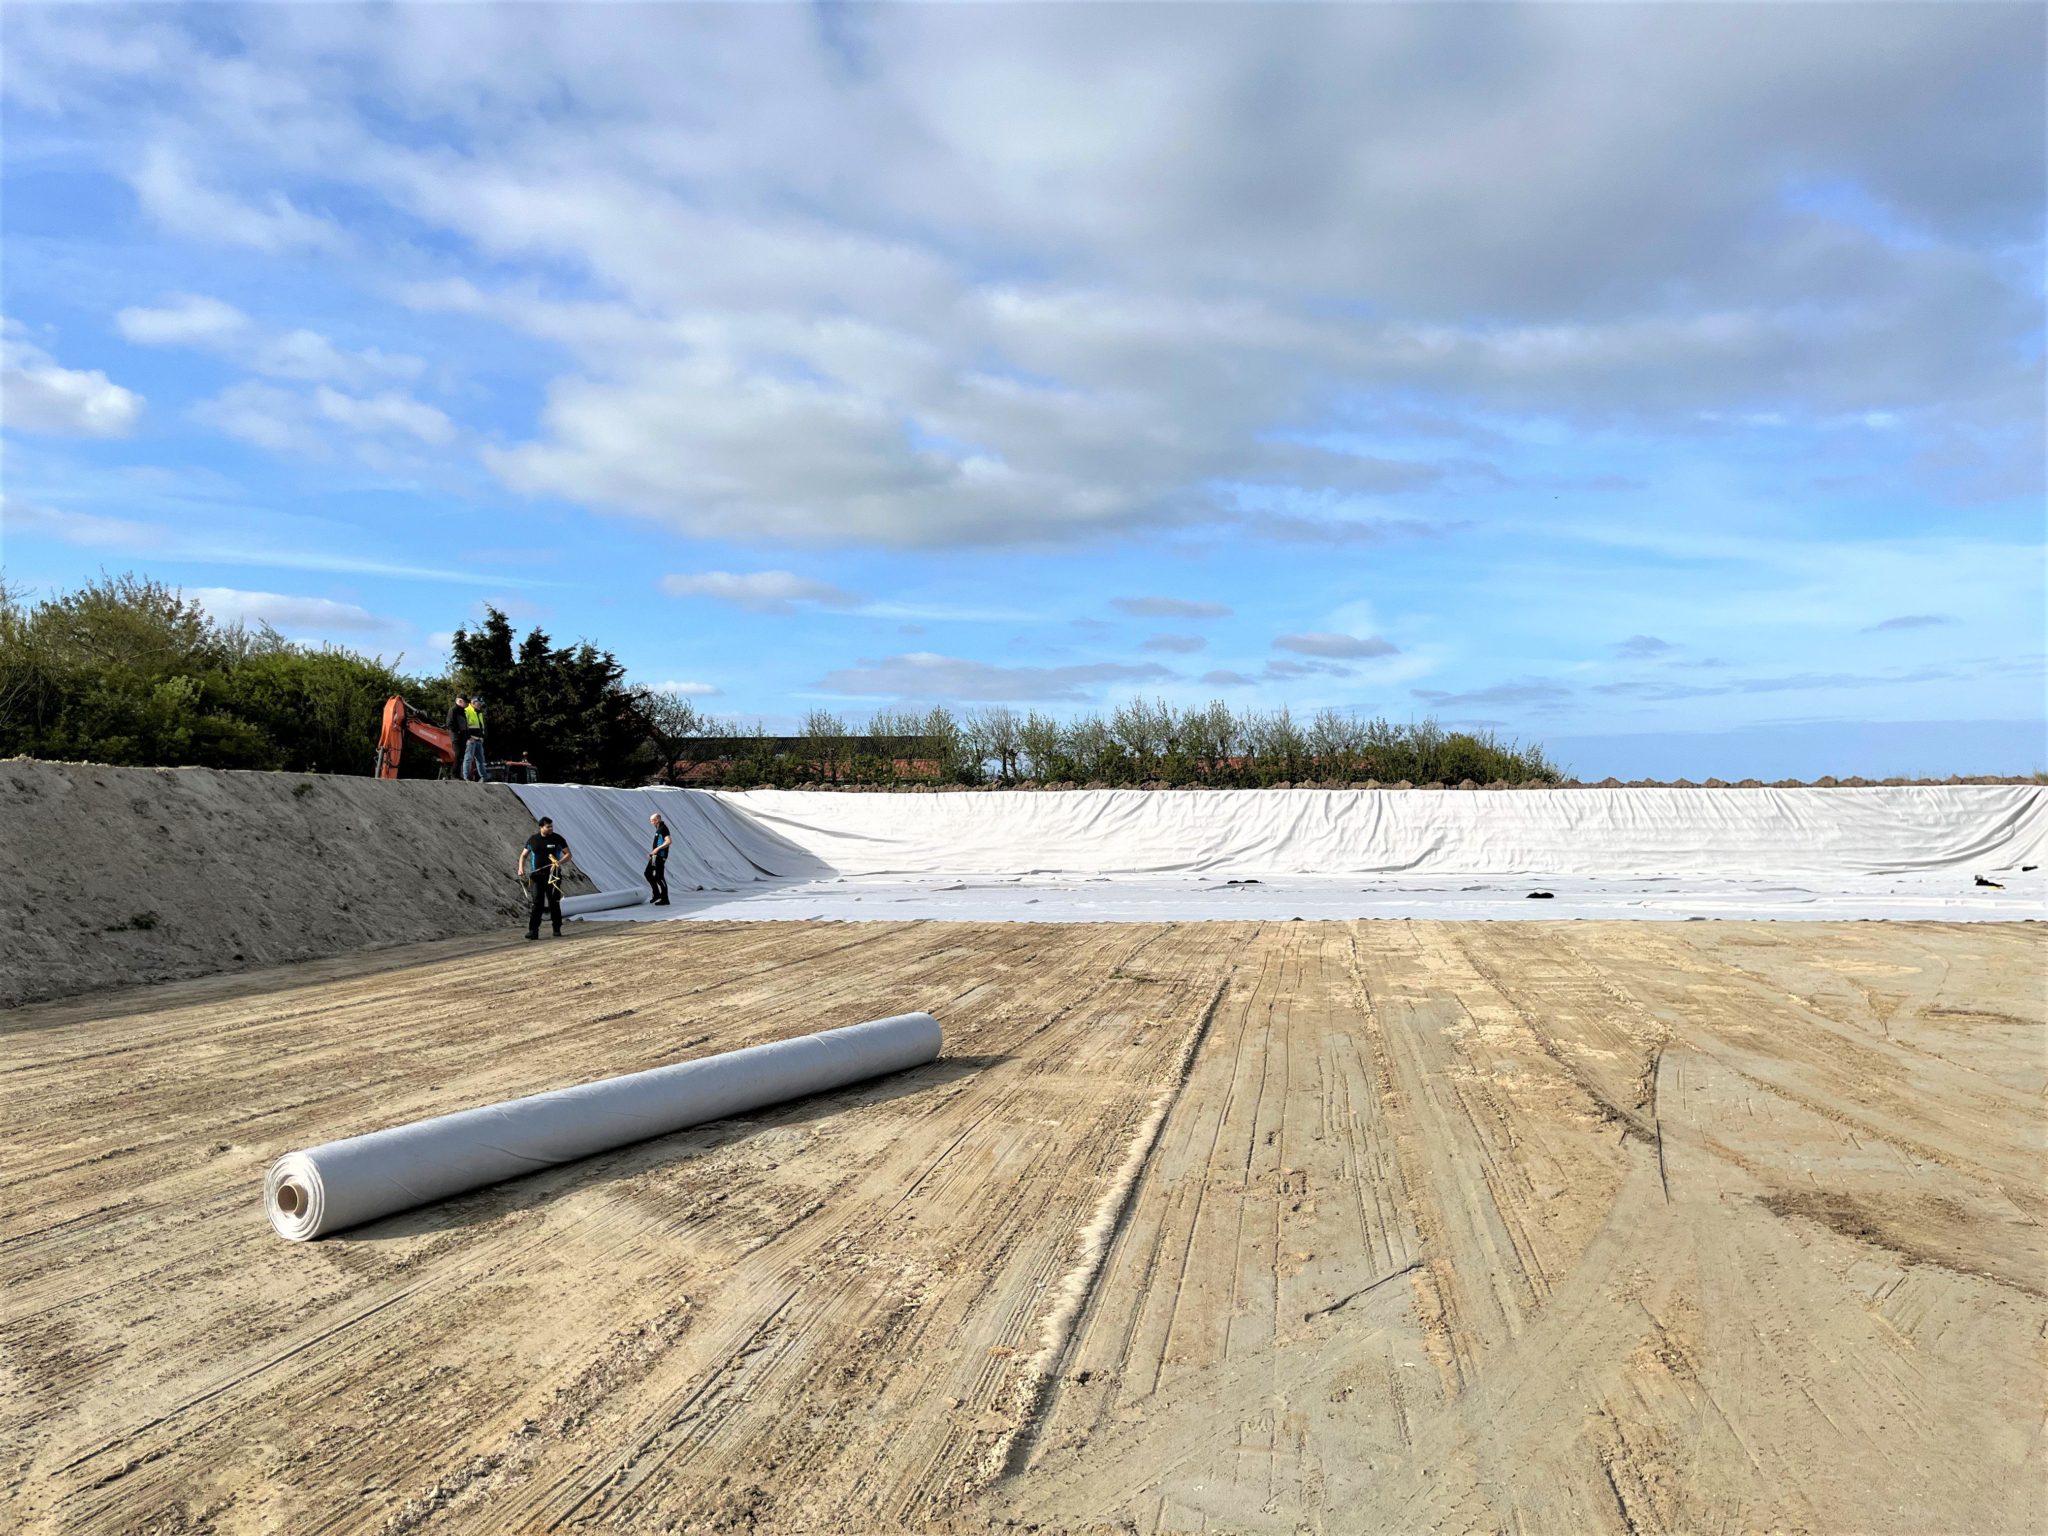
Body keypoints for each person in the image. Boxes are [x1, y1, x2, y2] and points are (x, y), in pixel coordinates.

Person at [518, 816, 573, 939]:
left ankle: (557, 928)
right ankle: (533, 931)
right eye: (548, 827)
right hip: (536, 876)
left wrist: (559, 862)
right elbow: (523, 855)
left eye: (551, 826)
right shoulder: (533, 839)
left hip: (553, 876)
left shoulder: (557, 839)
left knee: (554, 902)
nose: (551, 828)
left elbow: (568, 854)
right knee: (537, 903)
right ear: (541, 827)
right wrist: (520, 868)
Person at [645, 812, 672, 905]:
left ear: (657, 820)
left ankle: (665, 899)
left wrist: (657, 849)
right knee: (648, 873)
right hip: (655, 856)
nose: (651, 822)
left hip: (660, 856)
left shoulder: (663, 829)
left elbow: (668, 841)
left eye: (652, 821)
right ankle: (656, 893)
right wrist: (652, 853)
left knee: (659, 877)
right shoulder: (658, 829)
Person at [462, 696, 487, 782]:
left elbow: (481, 727)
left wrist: (482, 737)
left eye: (481, 704)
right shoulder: (467, 711)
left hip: (479, 740)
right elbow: (463, 726)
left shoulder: (479, 713)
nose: (480, 706)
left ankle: (483, 777)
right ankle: (466, 777)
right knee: (468, 758)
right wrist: (468, 737)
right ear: (473, 702)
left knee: (480, 760)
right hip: (471, 740)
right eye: (479, 704)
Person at [444, 694, 469, 779]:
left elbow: (465, 726)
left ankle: (457, 774)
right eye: (465, 702)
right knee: (458, 754)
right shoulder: (453, 710)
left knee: (461, 756)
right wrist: (457, 732)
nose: (467, 704)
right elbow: (449, 724)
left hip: (463, 737)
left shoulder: (463, 711)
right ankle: (454, 774)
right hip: (456, 736)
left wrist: (467, 736)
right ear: (460, 701)